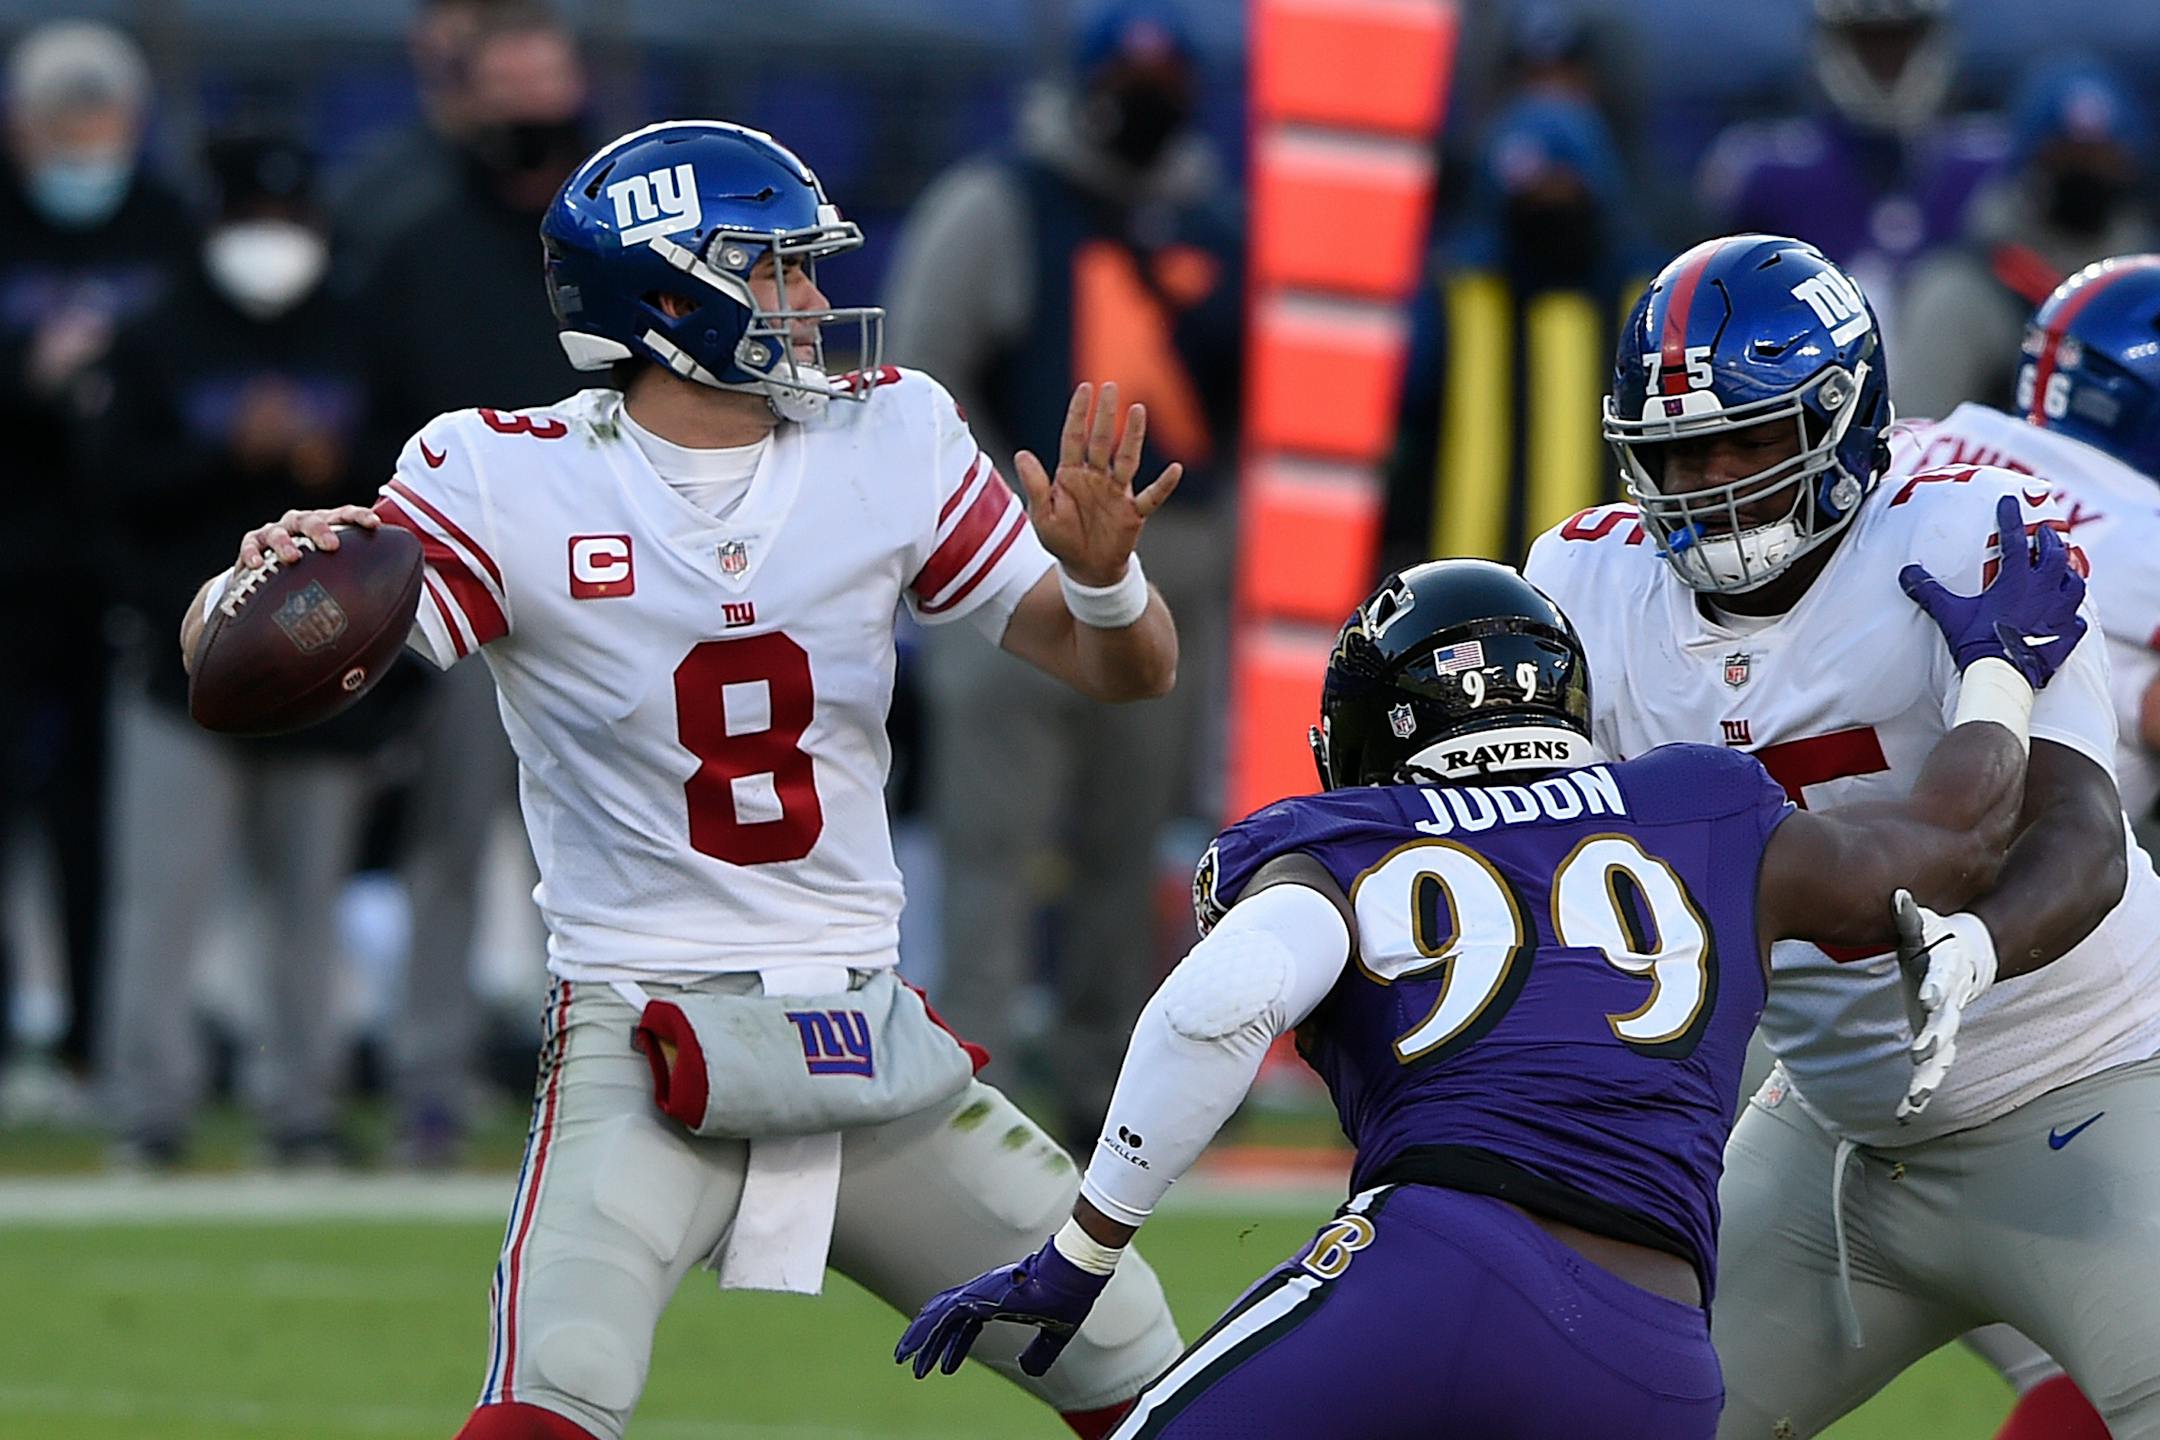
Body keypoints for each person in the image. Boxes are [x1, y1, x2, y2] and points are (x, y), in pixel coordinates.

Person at [178, 120, 1185, 1440]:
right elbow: (237, 664)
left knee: (1161, 1382)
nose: (818, 300)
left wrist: (1107, 579)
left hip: (866, 1033)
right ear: (668, 296)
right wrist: (255, 580)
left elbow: (1126, 670)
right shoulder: (501, 472)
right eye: (779, 270)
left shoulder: (895, 431)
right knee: (555, 1392)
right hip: (640, 1032)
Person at [894, 547, 2087, 1438]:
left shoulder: (1343, 836)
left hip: (1446, 1265)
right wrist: (1993, 672)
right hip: (1663, 1349)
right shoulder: (1709, 808)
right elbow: (1957, 834)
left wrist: (1085, 1247)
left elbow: (1221, 1004)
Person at [1521, 234, 2160, 1438]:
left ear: (1846, 418)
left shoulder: (1965, 532)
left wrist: (1983, 942)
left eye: (1751, 439)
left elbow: (2084, 829)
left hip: (2094, 1078)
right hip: (1835, 1134)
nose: (1711, 479)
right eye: (1678, 450)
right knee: (1608, 1420)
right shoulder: (1585, 579)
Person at [882, 0, 1242, 1149]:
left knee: (1129, 844)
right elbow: (922, 380)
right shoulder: (999, 204)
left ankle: (1108, 1089)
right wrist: (1008, 514)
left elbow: (1255, 391)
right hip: (1014, 558)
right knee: (993, 838)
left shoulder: (1213, 216)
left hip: (1169, 564)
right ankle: (977, 1081)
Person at [92, 132, 380, 1166]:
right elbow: (110, 491)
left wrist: (316, 458)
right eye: (255, 220)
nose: (274, 241)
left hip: (321, 664)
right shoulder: (159, 334)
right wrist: (227, 453)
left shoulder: (356, 332)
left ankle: (299, 1108)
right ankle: (148, 1111)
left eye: (290, 222)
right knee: (163, 900)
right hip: (183, 669)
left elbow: (398, 498)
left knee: (310, 904)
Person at [353, 0, 595, 1163]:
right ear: (468, 98)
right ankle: (430, 1081)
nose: (534, 108)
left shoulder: (613, 252)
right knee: (451, 848)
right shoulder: (415, 244)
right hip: (468, 592)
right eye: (511, 85)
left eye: (550, 81)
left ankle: (628, 1082)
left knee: (625, 849)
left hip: (618, 596)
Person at [0, 19, 194, 1117]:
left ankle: (86, 1039)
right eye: (62, 128)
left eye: (101, 124)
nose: (84, 147)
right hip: (8, 552)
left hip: (111, 565)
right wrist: (29, 378)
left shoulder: (163, 222)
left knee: (95, 820)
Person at [1384, 91, 1660, 572]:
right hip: (1469, 589)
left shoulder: (1648, 306)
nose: (1549, 210)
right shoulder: (1456, 297)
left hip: (1621, 592)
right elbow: (1393, 429)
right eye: (1532, 196)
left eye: (1564, 189)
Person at [1695, 0, 1998, 341]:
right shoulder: (1764, 172)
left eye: (1900, 42)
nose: (1886, 63)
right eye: (1870, 43)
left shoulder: (1990, 166)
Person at [1897, 59, 2156, 421]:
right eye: (2066, 156)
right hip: (2003, 474)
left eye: (2103, 157)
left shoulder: (2147, 290)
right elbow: (1916, 436)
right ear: (2029, 162)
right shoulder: (1966, 289)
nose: (2088, 173)